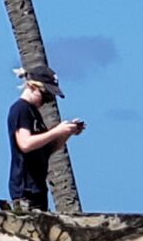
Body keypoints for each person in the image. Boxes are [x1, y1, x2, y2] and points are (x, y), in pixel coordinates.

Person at [7, 64, 85, 211]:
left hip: (38, 189)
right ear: (32, 87)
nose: (47, 101)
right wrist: (56, 131)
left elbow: (48, 149)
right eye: (46, 95)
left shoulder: (34, 112)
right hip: (25, 191)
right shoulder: (21, 109)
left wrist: (66, 133)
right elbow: (25, 143)